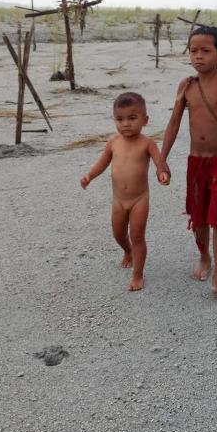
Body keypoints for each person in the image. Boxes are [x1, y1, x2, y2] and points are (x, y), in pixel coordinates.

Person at [161, 26, 217, 294]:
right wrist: (162, 159)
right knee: (198, 216)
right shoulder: (186, 86)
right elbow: (174, 123)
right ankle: (204, 257)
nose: (198, 56)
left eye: (205, 51)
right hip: (195, 162)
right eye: (193, 51)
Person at [81, 91, 169, 291]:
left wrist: (163, 173)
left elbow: (159, 162)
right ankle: (127, 251)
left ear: (145, 120)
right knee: (118, 234)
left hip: (139, 199)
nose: (125, 124)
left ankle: (137, 274)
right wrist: (89, 176)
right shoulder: (113, 142)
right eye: (119, 119)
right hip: (119, 201)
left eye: (132, 118)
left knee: (137, 235)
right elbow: (102, 163)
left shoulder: (147, 143)